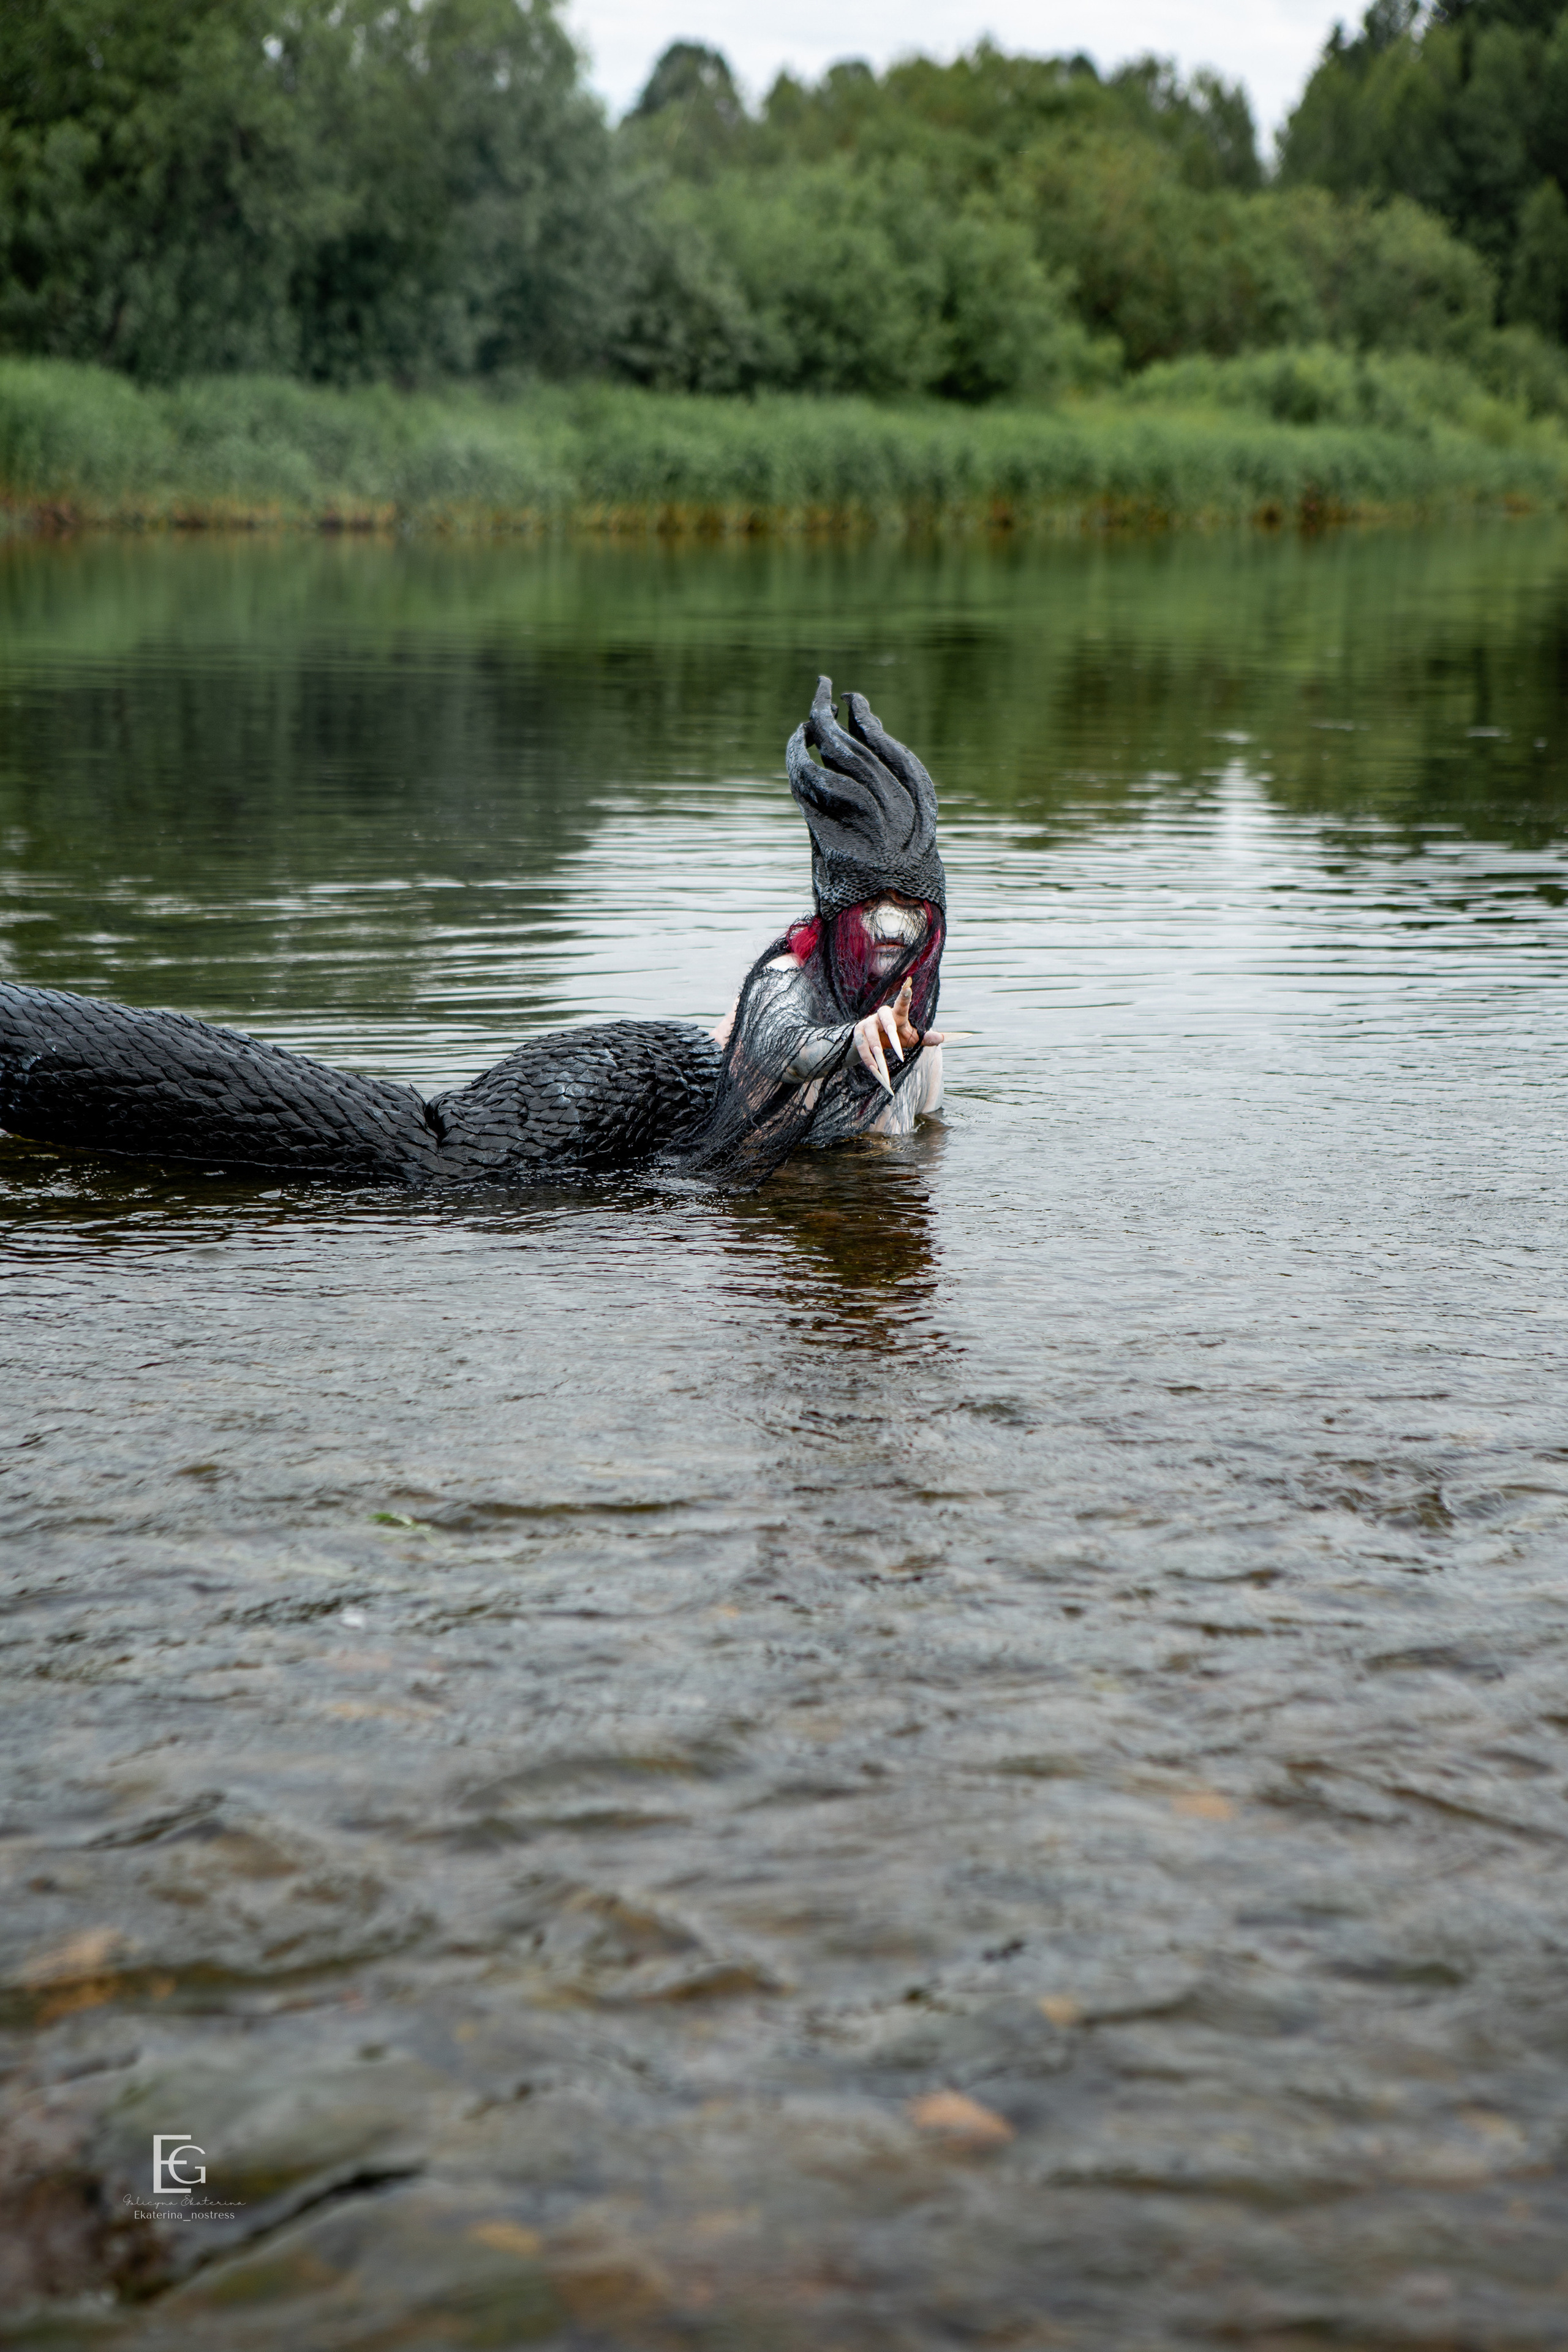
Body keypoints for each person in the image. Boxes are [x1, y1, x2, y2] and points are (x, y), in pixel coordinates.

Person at [0, 676, 946, 1191]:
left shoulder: (907, 1030)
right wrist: (849, 1040)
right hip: (628, 1086)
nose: (894, 950)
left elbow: (880, 1125)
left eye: (912, 930)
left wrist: (898, 1070)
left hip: (651, 1125)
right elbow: (783, 1042)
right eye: (878, 927)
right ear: (839, 922)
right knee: (426, 1157)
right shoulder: (795, 981)